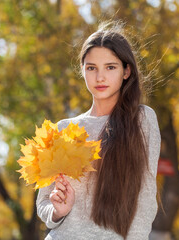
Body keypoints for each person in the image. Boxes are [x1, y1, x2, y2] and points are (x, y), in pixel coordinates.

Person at [36, 22, 161, 240]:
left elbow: (146, 197)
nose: (100, 77)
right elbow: (43, 203)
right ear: (82, 70)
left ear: (126, 71)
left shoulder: (142, 119)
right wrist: (57, 212)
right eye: (91, 68)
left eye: (110, 67)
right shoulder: (62, 129)